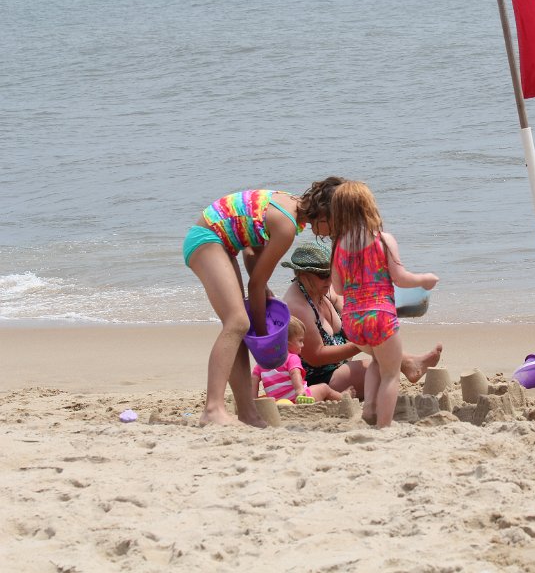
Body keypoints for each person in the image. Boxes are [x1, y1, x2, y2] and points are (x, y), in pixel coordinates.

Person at [183, 178, 344, 426]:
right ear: (324, 213)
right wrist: (263, 336)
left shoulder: (289, 206)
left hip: (221, 244)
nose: (333, 233)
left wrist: (263, 285)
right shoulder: (287, 225)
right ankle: (213, 409)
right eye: (336, 224)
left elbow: (251, 250)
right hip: (207, 239)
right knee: (238, 323)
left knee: (237, 329)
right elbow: (254, 286)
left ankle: (247, 413)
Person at [329, 181, 439, 428]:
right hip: (380, 317)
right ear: (368, 206)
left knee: (378, 362)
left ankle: (369, 406)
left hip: (353, 321)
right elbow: (400, 278)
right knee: (391, 374)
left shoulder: (338, 248)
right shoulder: (383, 240)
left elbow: (338, 289)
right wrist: (425, 280)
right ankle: (384, 426)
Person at [281, 242, 443, 399]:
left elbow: (351, 314)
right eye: (323, 275)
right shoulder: (297, 307)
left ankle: (407, 362)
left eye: (332, 273)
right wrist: (359, 344)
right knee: (383, 372)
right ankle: (408, 364)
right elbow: (316, 357)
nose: (329, 279)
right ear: (303, 274)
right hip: (317, 380)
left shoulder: (323, 288)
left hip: (338, 365)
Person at [252, 316, 346, 403]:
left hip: (278, 403)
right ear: (286, 343)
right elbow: (295, 373)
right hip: (299, 398)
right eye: (300, 341)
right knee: (324, 388)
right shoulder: (291, 358)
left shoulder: (262, 363)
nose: (302, 345)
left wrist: (253, 399)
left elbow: (254, 379)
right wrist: (299, 390)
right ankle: (343, 398)